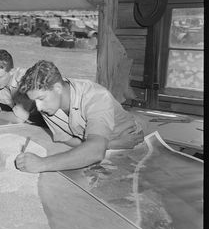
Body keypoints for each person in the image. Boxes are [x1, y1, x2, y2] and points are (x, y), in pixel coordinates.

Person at [15, 60, 145, 173]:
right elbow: (68, 140)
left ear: (58, 88)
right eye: (35, 101)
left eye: (41, 98)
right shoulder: (49, 106)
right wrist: (111, 144)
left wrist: (42, 164)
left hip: (131, 139)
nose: (38, 107)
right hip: (108, 144)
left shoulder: (96, 96)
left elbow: (95, 152)